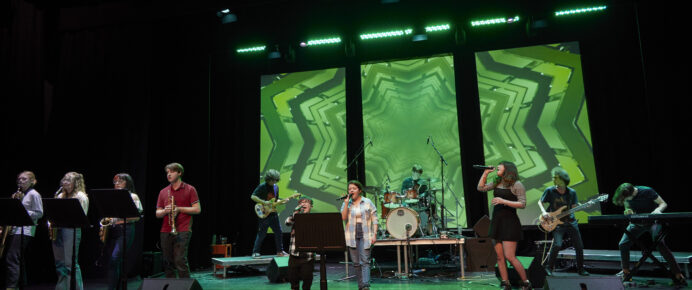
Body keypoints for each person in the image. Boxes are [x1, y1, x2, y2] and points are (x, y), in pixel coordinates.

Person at [613, 183, 687, 286]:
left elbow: (663, 203)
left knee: (660, 244)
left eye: (628, 198)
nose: (627, 200)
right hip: (637, 223)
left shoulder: (647, 191)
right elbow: (628, 208)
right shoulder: (627, 196)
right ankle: (626, 273)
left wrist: (657, 210)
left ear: (633, 192)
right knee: (623, 244)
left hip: (654, 222)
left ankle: (678, 274)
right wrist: (627, 211)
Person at [477, 161, 531, 290]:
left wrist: (503, 201)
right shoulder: (497, 182)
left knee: (510, 256)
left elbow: (522, 204)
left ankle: (526, 283)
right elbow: (481, 188)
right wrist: (485, 173)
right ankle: (505, 283)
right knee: (500, 257)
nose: (497, 168)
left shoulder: (517, 184)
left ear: (507, 170)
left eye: (500, 167)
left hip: (510, 223)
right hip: (497, 222)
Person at [538, 167, 588, 276]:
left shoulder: (572, 192)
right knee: (557, 245)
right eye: (553, 177)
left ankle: (581, 269)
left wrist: (582, 206)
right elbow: (540, 201)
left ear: (562, 179)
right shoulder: (550, 190)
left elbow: (574, 206)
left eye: (556, 178)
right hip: (556, 222)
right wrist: (543, 212)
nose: (553, 179)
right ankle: (549, 267)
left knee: (579, 246)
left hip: (571, 221)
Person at [155, 163, 201, 278]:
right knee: (167, 262)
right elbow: (157, 214)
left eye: (172, 171)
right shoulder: (163, 192)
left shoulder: (190, 189)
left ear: (179, 173)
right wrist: (166, 211)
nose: (169, 174)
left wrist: (178, 209)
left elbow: (197, 209)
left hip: (183, 228)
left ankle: (184, 286)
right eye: (167, 172)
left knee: (180, 260)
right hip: (166, 230)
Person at [99, 173, 143, 289]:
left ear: (127, 183)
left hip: (125, 229)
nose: (117, 184)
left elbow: (137, 216)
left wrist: (117, 218)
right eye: (115, 182)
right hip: (113, 230)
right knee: (112, 261)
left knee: (115, 259)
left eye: (120, 181)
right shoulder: (112, 196)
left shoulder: (132, 196)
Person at [3, 171, 43, 290]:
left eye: (24, 179)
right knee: (18, 259)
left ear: (32, 181)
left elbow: (39, 213)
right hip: (15, 230)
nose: (20, 181)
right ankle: (21, 285)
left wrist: (20, 210)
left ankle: (11, 286)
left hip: (25, 230)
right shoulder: (18, 194)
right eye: (19, 179)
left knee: (12, 258)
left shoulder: (34, 194)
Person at [52, 171, 89, 290]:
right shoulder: (60, 196)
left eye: (68, 180)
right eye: (64, 180)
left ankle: (76, 288)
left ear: (76, 183)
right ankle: (62, 287)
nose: (65, 182)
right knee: (60, 263)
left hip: (71, 229)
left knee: (70, 263)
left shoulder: (80, 196)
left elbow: (82, 216)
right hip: (59, 229)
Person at [340, 180, 377, 290]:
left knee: (365, 261)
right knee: (356, 263)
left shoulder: (367, 201)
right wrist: (346, 203)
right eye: (349, 189)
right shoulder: (346, 203)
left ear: (359, 190)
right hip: (352, 234)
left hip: (365, 233)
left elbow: (375, 219)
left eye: (354, 188)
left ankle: (365, 285)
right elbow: (343, 218)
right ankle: (360, 285)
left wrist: (374, 234)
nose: (351, 190)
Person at [250, 169, 288, 258]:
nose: (274, 182)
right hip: (264, 212)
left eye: (275, 180)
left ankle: (280, 251)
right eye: (272, 180)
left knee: (279, 232)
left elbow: (275, 200)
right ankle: (255, 252)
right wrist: (264, 202)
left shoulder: (276, 187)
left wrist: (282, 201)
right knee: (262, 233)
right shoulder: (262, 186)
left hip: (273, 212)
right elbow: (253, 196)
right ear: (268, 179)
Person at [285, 197, 315, 290]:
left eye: (306, 202)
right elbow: (287, 222)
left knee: (307, 279)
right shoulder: (295, 218)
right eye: (301, 202)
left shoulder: (314, 219)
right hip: (294, 254)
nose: (303, 204)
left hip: (308, 255)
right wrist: (295, 215)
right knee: (293, 280)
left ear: (311, 206)